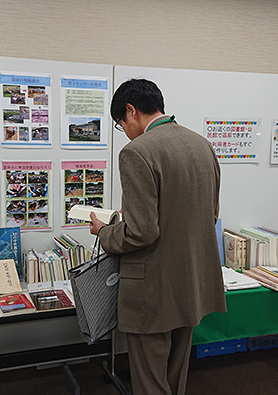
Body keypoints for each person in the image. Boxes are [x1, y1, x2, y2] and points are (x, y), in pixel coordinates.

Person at [89, 79, 226, 395]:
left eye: (122, 124)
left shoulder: (137, 152)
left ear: (131, 111)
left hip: (152, 290)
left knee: (150, 383)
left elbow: (142, 232)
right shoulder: (202, 145)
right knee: (175, 379)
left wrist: (105, 232)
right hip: (191, 283)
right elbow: (210, 215)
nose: (125, 131)